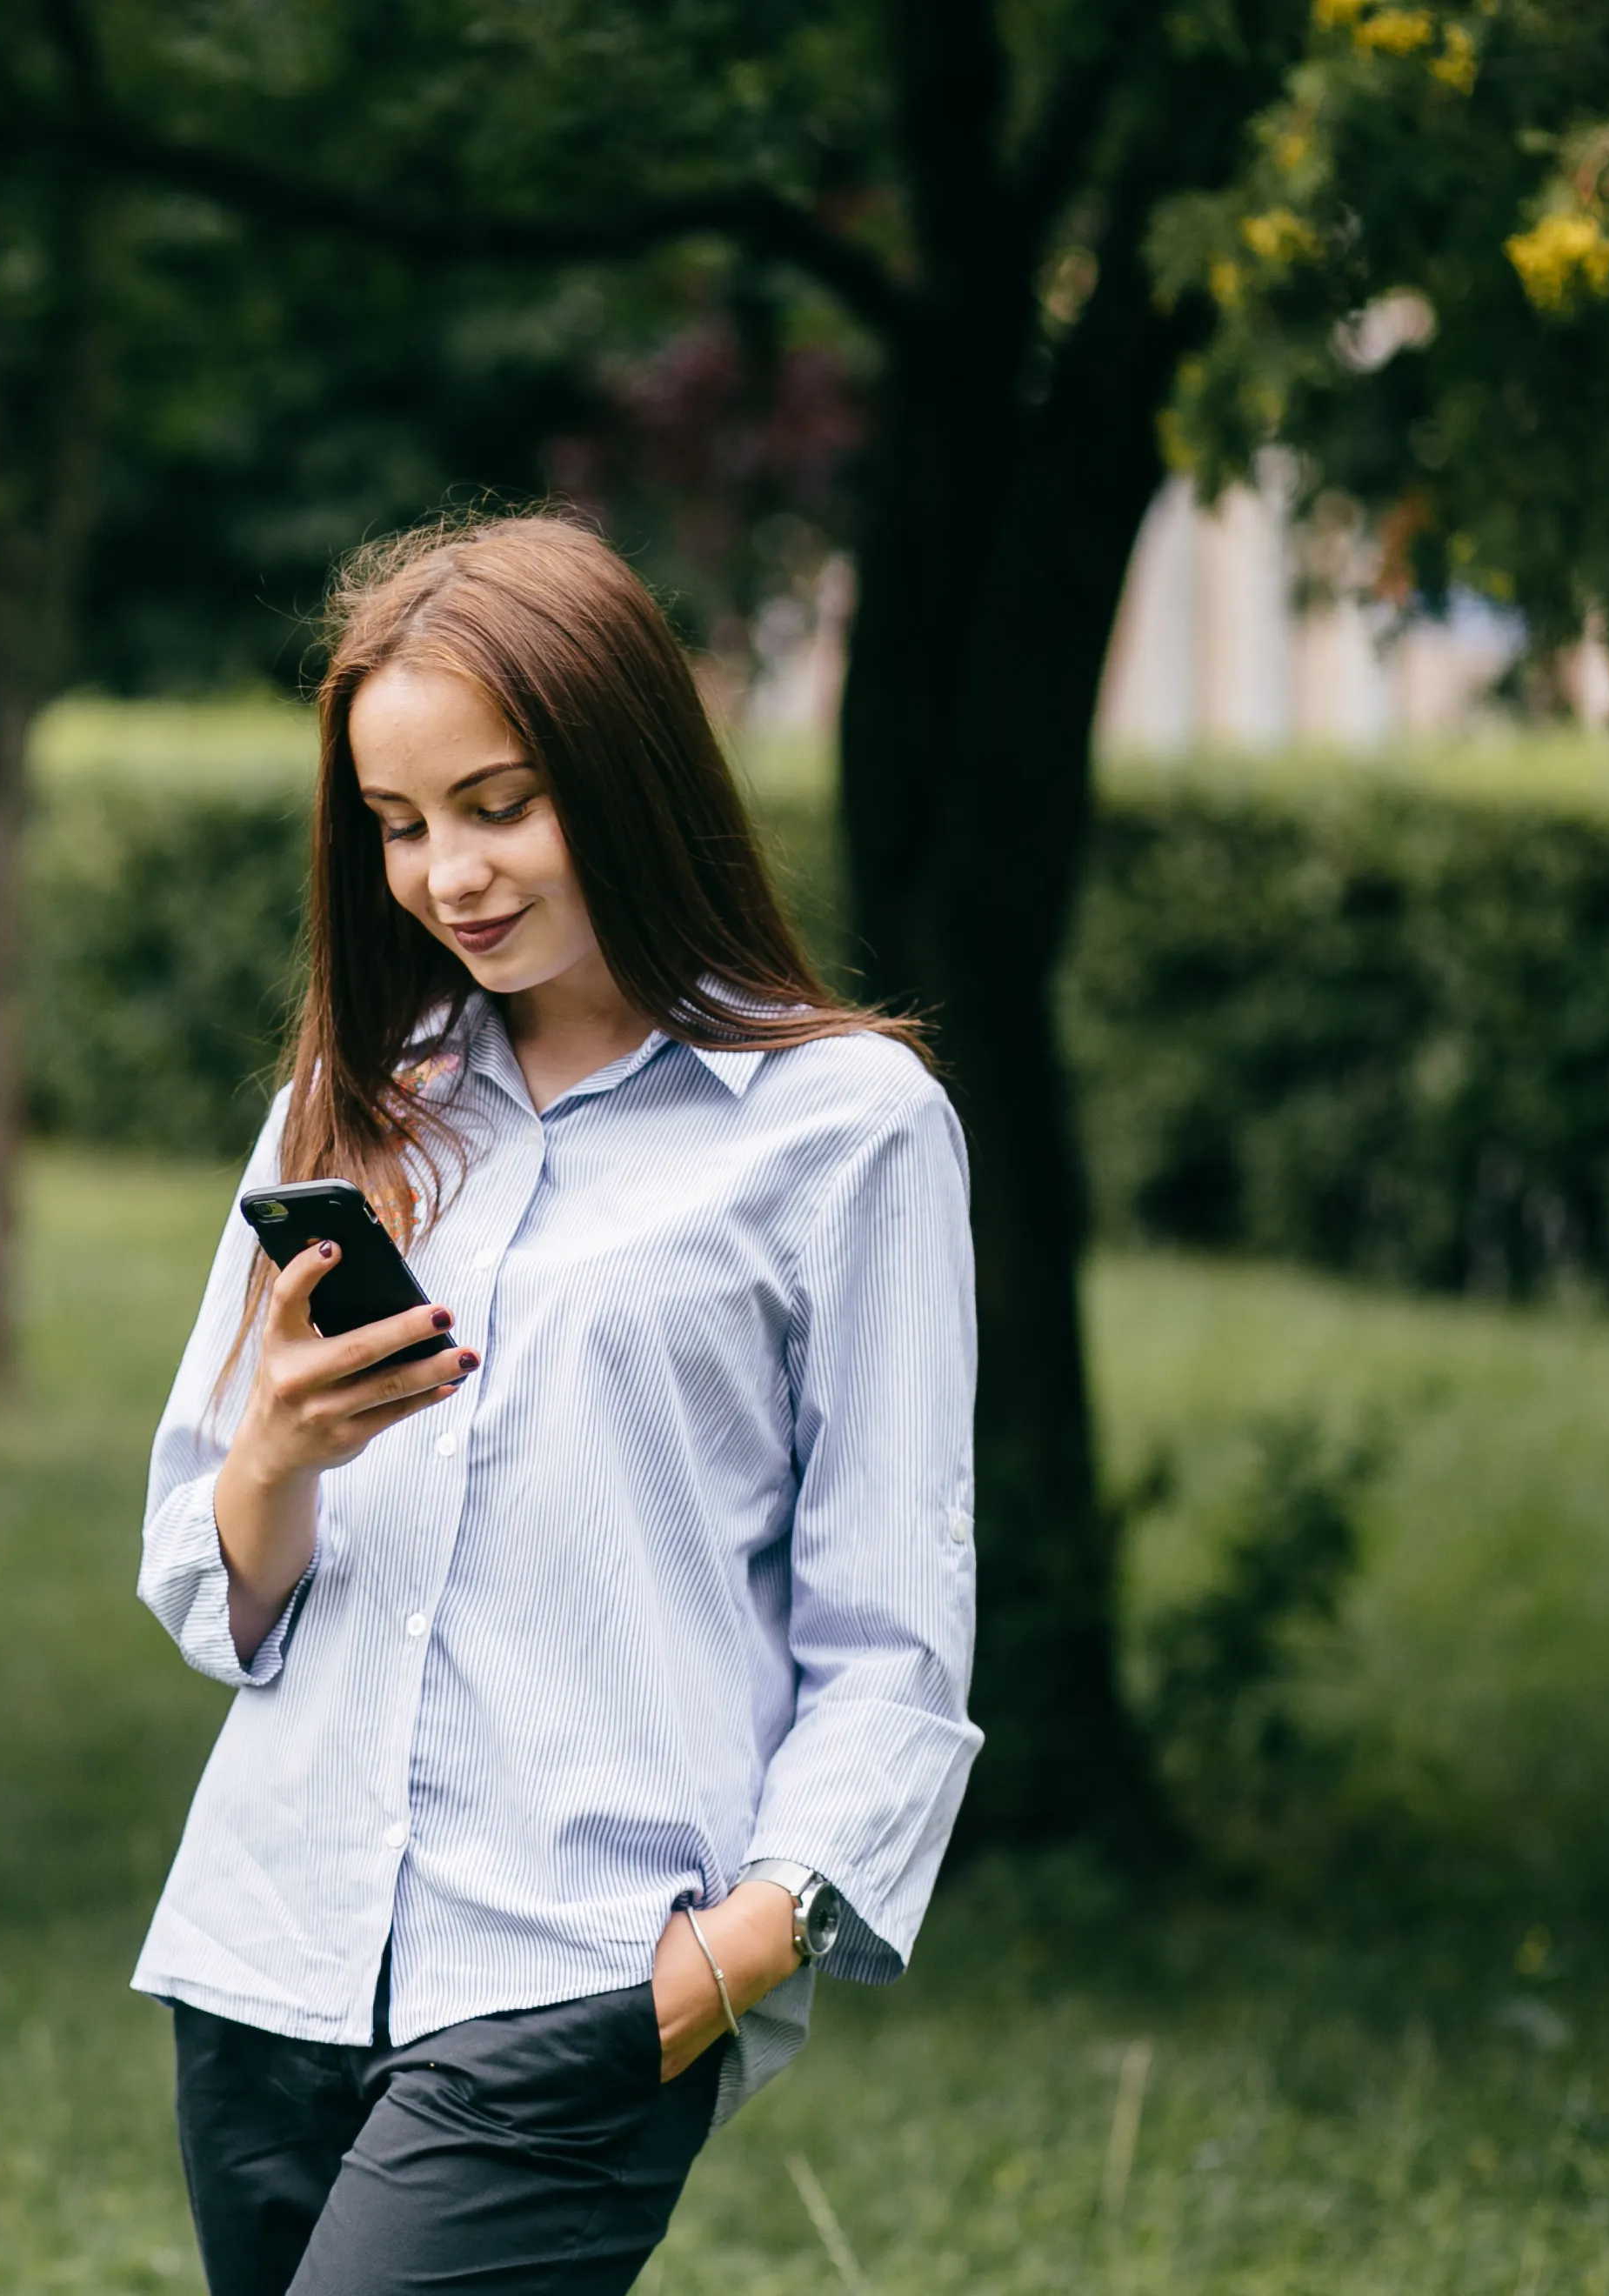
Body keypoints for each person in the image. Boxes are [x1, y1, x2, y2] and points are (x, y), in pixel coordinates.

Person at [133, 515, 981, 2295]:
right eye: (399, 825)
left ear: (629, 771)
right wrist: (281, 1447)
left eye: (498, 804)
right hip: (271, 1951)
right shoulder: (350, 1107)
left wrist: (739, 1954)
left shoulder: (845, 1128)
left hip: (568, 1979)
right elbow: (214, 1596)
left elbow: (895, 1635)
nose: (449, 873)